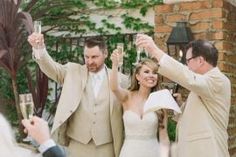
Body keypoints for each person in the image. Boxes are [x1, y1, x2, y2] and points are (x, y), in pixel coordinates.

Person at [27, 33, 129, 157]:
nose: (90, 61)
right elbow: (52, 68)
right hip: (77, 144)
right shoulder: (72, 71)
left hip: (107, 146)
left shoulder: (121, 80)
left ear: (105, 54)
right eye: (87, 57)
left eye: (94, 57)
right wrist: (39, 49)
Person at [136, 35, 231, 157]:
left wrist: (154, 50)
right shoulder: (203, 84)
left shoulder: (218, 80)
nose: (187, 66)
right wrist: (180, 105)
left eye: (188, 61)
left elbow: (187, 77)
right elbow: (198, 117)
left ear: (200, 60)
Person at [110, 50, 170, 157]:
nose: (151, 75)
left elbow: (164, 137)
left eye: (154, 73)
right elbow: (114, 88)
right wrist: (115, 65)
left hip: (153, 152)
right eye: (147, 72)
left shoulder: (160, 101)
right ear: (137, 77)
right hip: (129, 152)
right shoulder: (127, 96)